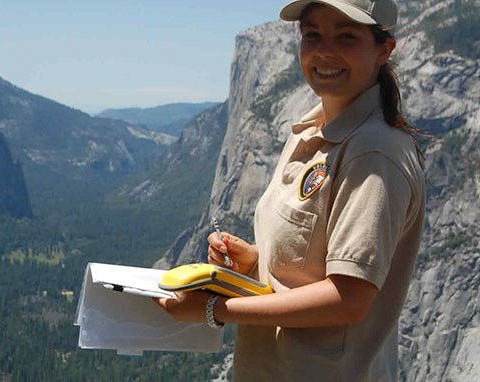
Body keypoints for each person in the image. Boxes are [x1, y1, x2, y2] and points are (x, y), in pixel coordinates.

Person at [155, 0, 426, 380]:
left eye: (346, 36)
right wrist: (253, 262)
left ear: (384, 49)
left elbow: (349, 299)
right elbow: (311, 266)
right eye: (312, 34)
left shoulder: (374, 152)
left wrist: (213, 309)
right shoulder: (313, 133)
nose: (324, 50)